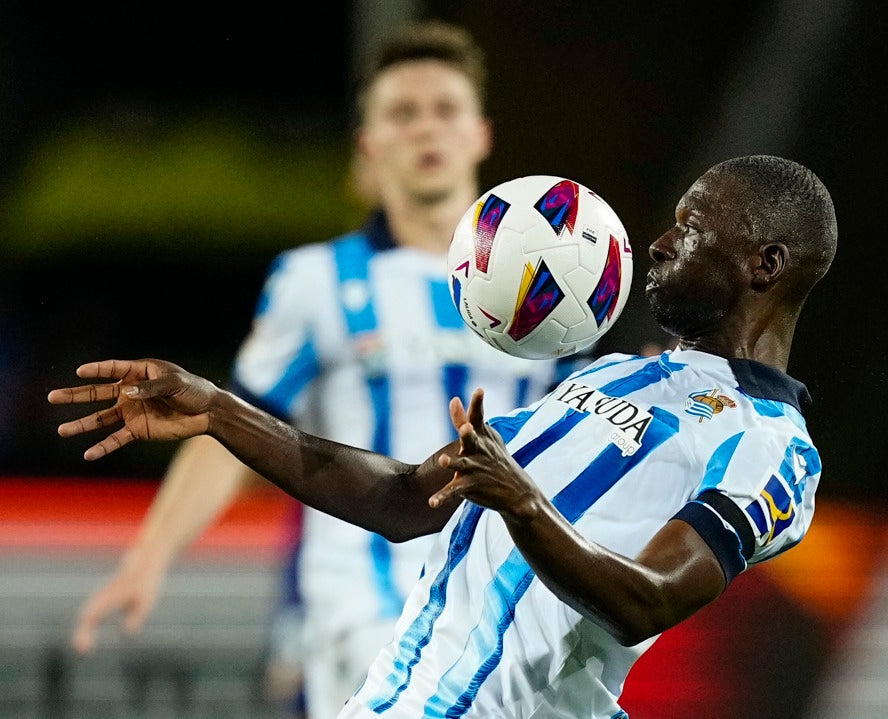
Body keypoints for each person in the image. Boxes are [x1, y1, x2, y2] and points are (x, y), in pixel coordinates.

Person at [50, 154, 837, 718]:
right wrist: (220, 410)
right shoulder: (611, 378)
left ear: (764, 263)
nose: (660, 243)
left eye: (690, 227)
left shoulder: (773, 449)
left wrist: (522, 504)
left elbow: (650, 598)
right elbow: (406, 499)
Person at [66, 19, 573, 719]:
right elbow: (230, 429)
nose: (427, 128)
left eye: (445, 110)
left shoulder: (550, 289)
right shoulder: (316, 283)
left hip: (511, 617)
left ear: (481, 134)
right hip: (364, 620)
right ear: (370, 145)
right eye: (403, 112)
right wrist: (148, 555)